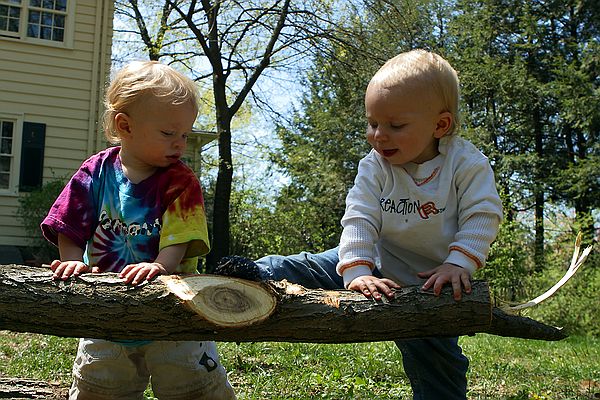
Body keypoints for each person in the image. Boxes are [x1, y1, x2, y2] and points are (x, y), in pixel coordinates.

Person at [218, 49, 503, 399]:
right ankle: (245, 277)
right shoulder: (376, 166)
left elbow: (482, 214)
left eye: (395, 126)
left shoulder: (465, 164)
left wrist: (459, 263)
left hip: (430, 279)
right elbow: (360, 217)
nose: (378, 136)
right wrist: (357, 271)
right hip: (373, 257)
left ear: (440, 125)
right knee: (302, 266)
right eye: (372, 123)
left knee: (438, 363)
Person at [41, 61, 236, 400]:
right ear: (125, 125)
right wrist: (72, 261)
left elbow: (181, 235)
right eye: (168, 133)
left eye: (185, 135)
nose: (180, 144)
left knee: (193, 387)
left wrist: (160, 264)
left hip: (172, 309)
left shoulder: (180, 180)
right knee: (100, 388)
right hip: (106, 308)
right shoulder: (96, 171)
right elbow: (69, 224)